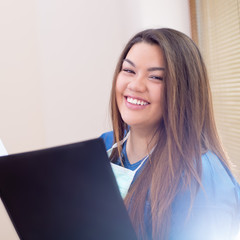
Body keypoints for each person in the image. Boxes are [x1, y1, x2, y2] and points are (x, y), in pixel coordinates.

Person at [100, 28, 240, 240]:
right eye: (129, 71)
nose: (135, 85)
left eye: (155, 77)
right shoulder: (106, 146)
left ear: (183, 90)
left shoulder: (201, 175)